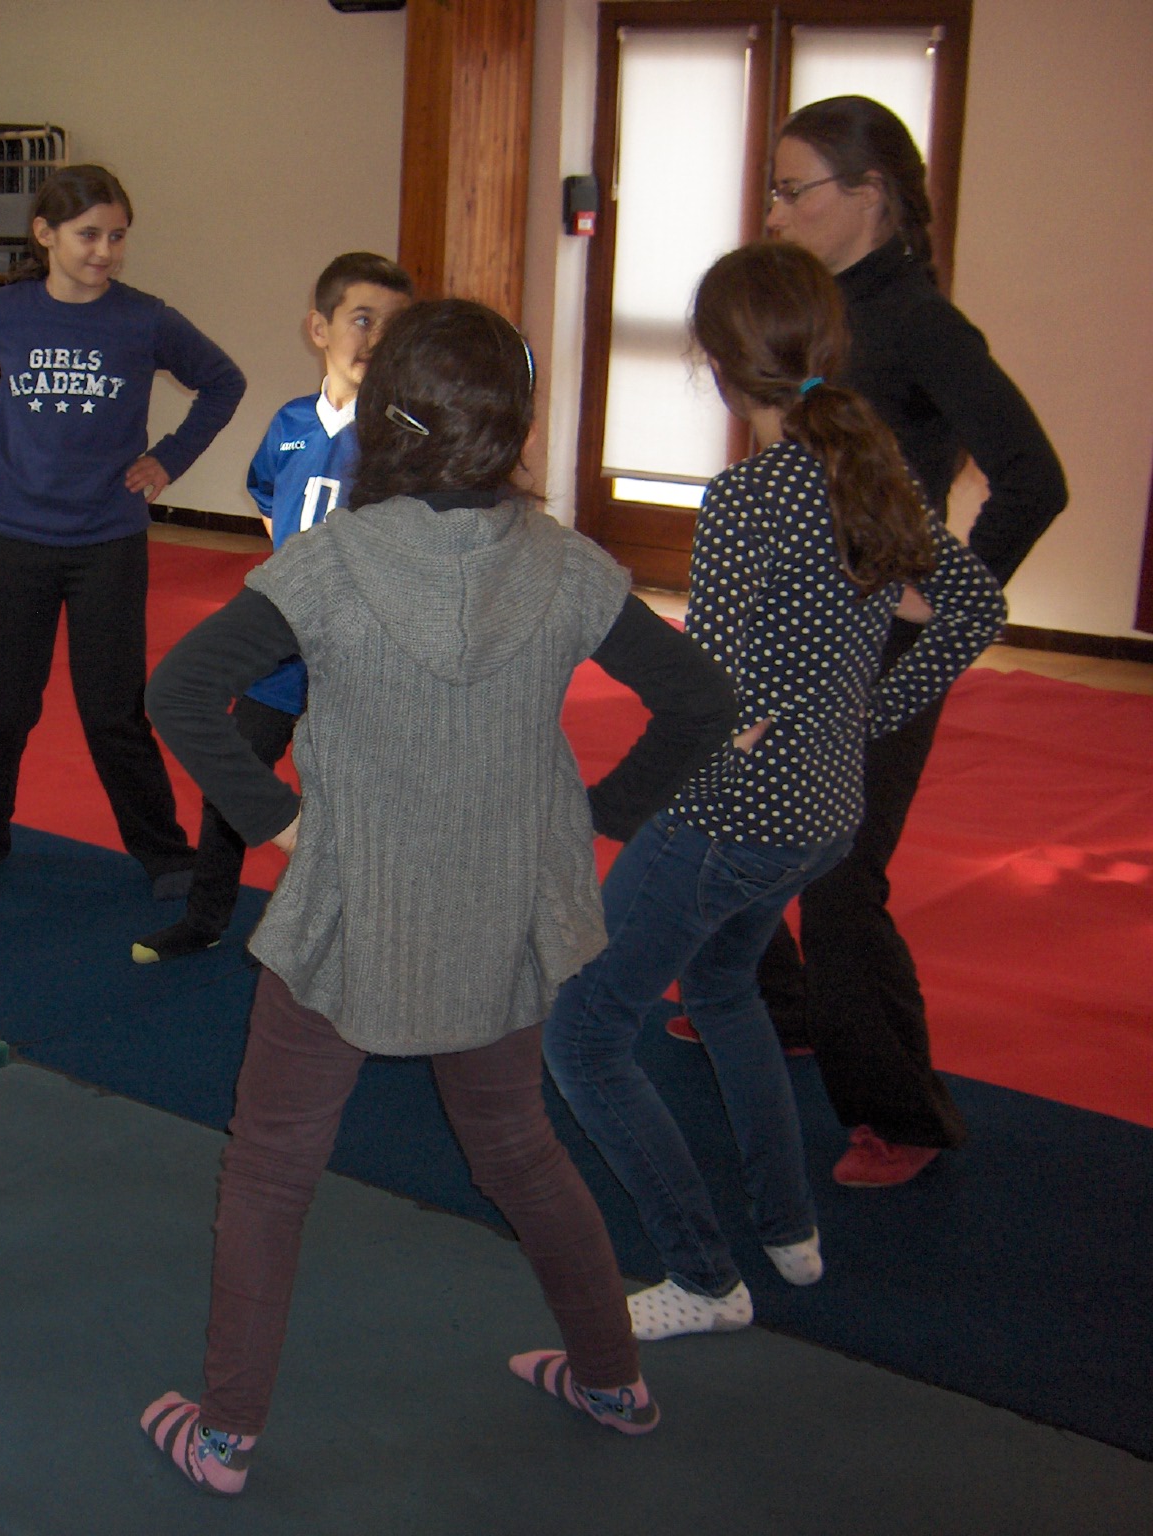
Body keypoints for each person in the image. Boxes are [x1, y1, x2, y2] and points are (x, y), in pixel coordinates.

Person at [138, 300, 741, 1493]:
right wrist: (594, 820)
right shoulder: (568, 566)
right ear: (512, 426)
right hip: (497, 917)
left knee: (269, 1171)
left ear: (385, 422)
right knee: (518, 1149)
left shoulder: (327, 566)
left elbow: (177, 693)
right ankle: (612, 1378)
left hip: (348, 921)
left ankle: (224, 1434)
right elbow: (698, 704)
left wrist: (277, 823)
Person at [542, 242, 1006, 1343]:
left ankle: (703, 1276)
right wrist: (871, 711)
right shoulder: (870, 473)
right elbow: (975, 607)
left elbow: (706, 689)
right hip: (821, 811)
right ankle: (787, 1227)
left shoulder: (750, 494)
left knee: (582, 1032)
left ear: (712, 363)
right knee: (721, 990)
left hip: (729, 817)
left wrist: (607, 800)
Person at [752, 95, 1067, 1187]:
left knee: (838, 876)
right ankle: (784, 1007)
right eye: (774, 189)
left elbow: (1032, 477)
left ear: (868, 195)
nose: (776, 208)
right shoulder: (812, 309)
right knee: (730, 810)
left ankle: (903, 1116)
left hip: (881, 645)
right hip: (798, 620)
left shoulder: (919, 321)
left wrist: (942, 600)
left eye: (794, 189)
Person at [0, 164, 246, 890]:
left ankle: (164, 852)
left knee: (114, 712)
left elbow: (222, 381)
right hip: (18, 536)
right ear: (45, 234)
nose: (103, 251)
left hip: (108, 540)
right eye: (87, 236)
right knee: (4, 705)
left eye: (117, 237)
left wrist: (166, 460)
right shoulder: (5, 313)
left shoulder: (144, 318)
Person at [130, 252, 412, 964]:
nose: (377, 337)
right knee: (235, 780)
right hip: (277, 650)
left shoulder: (400, 441)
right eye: (361, 319)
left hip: (354, 657)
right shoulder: (289, 423)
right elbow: (267, 498)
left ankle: (362, 928)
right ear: (318, 328)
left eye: (394, 325)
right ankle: (207, 915)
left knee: (351, 791)